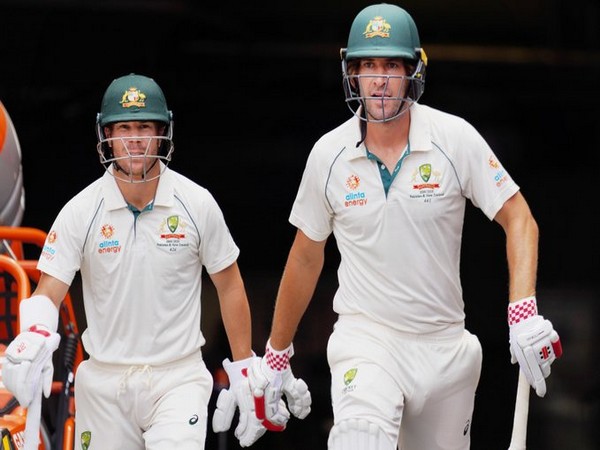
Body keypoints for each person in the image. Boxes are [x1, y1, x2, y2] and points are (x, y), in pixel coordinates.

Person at [247, 4, 563, 450]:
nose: (379, 80)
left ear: (413, 71)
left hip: (444, 349)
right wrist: (277, 354)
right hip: (367, 340)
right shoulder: (328, 155)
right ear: (351, 73)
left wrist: (522, 311)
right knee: (360, 438)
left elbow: (519, 218)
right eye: (368, 66)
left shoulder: (454, 139)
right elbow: (305, 254)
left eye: (391, 65)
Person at [2, 73, 286, 449]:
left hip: (177, 377)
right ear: (106, 136)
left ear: (162, 133)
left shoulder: (196, 202)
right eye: (123, 128)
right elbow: (49, 289)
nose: (134, 139)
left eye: (143, 127)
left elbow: (229, 283)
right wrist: (34, 333)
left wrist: (244, 367)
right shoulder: (80, 210)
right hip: (104, 383)